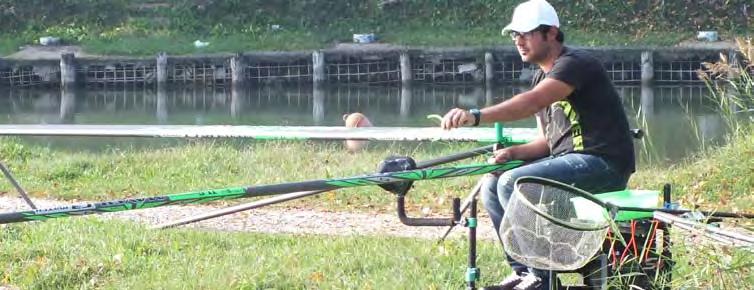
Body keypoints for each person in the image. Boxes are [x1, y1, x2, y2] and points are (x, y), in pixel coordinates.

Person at [440, 1, 635, 289]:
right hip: (573, 163)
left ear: (551, 33)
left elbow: (531, 102)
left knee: (512, 183)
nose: (518, 41)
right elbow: (547, 141)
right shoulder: (540, 75)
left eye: (526, 33)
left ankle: (541, 278)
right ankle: (523, 271)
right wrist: (514, 153)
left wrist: (475, 116)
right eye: (514, 35)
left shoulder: (574, 65)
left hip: (604, 164)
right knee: (493, 183)